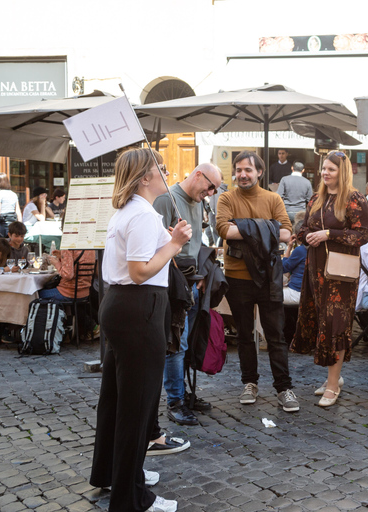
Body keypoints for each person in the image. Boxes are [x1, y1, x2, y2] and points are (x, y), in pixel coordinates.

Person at [90, 148, 191, 512]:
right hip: (138, 307)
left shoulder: (128, 211)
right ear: (145, 178)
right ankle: (132, 497)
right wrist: (176, 243)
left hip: (122, 306)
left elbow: (140, 262)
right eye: (160, 169)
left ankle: (113, 472)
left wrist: (167, 242)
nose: (166, 173)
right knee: (136, 405)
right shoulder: (142, 215)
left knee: (117, 399)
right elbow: (140, 271)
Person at [216, 151, 299, 413]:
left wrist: (245, 227)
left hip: (268, 277)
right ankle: (249, 383)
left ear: (259, 172)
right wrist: (266, 228)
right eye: (239, 170)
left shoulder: (273, 198)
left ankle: (284, 388)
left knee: (275, 335)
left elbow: (287, 232)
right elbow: (224, 230)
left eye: (248, 170)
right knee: (244, 335)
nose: (242, 174)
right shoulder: (227, 197)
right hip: (237, 277)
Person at [291, 150, 368, 407]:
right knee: (321, 322)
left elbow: (363, 234)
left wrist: (328, 234)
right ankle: (332, 378)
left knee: (335, 323)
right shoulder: (317, 197)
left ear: (342, 172)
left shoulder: (354, 199)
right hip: (315, 271)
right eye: (324, 169)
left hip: (341, 274)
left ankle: (333, 385)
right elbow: (304, 228)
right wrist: (307, 236)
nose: (326, 173)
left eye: (331, 169)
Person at [153, 163, 223, 426]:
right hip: (173, 282)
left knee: (188, 341)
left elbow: (196, 243)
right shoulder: (166, 200)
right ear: (197, 175)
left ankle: (183, 394)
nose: (211, 193)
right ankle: (175, 401)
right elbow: (153, 243)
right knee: (176, 343)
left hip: (192, 281)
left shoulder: (197, 202)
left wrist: (203, 273)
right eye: (210, 186)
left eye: (215, 189)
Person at [282, 218, 307, 306]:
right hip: (310, 293)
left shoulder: (300, 250)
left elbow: (283, 268)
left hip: (297, 292)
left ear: (297, 236)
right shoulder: (317, 249)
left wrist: (289, 247)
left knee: (266, 295)